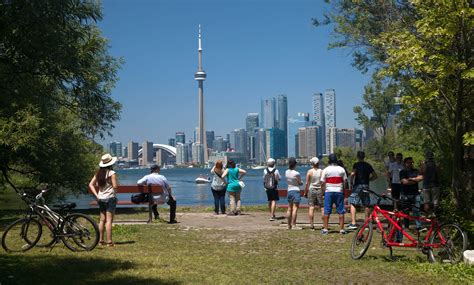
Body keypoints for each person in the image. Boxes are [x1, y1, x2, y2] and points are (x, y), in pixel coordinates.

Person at [88, 153, 118, 247]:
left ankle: (101, 240)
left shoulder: (98, 173)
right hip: (110, 198)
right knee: (109, 220)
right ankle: (109, 241)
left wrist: (97, 195)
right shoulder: (112, 173)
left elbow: (90, 184)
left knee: (102, 220)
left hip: (100, 199)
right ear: (111, 163)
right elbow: (115, 186)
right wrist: (115, 190)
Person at [347, 151, 378, 230]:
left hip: (357, 185)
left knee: (353, 203)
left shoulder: (356, 165)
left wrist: (351, 182)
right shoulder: (368, 165)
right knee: (366, 204)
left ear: (357, 156)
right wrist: (369, 180)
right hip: (366, 185)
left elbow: (353, 174)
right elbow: (375, 176)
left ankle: (353, 223)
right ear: (364, 156)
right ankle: (366, 224)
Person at [320, 153, 348, 235]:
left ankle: (325, 229)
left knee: (327, 211)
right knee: (341, 211)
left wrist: (323, 192)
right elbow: (345, 181)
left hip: (329, 191)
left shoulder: (325, 170)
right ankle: (342, 229)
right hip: (339, 191)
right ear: (336, 160)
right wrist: (344, 191)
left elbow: (322, 182)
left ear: (329, 161)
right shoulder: (341, 169)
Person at [399, 157, 423, 231]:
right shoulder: (402, 172)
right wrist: (415, 180)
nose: (410, 164)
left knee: (417, 211)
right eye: (409, 162)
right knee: (406, 211)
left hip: (415, 194)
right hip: (405, 194)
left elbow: (421, 178)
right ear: (405, 163)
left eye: (412, 162)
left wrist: (412, 179)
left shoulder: (416, 171)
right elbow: (404, 182)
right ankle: (406, 227)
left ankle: (419, 227)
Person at [303, 157, 324, 230]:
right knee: (322, 208)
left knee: (311, 207)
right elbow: (323, 183)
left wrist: (305, 192)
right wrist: (323, 192)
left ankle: (312, 225)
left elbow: (307, 183)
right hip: (319, 190)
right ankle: (324, 224)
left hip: (311, 189)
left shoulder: (309, 172)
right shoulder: (321, 171)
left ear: (313, 163)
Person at [419, 151, 440, 215]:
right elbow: (439, 173)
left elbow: (420, 172)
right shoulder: (436, 164)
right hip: (435, 185)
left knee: (426, 202)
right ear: (432, 157)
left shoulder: (424, 164)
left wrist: (422, 164)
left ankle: (427, 216)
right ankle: (435, 215)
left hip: (426, 185)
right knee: (435, 202)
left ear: (426, 157)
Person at [285, 157, 303, 230]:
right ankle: (294, 225)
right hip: (296, 190)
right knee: (295, 208)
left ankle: (288, 225)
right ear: (295, 164)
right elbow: (300, 182)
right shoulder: (296, 173)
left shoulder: (286, 172)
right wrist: (301, 183)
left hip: (289, 190)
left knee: (289, 208)